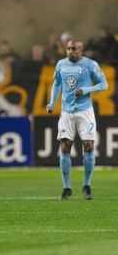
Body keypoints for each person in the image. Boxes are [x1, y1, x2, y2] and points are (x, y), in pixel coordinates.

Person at [46, 39, 108, 201]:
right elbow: (57, 83)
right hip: (67, 112)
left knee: (88, 146)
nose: (70, 51)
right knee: (65, 148)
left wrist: (86, 89)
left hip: (85, 111)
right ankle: (66, 188)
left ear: (81, 51)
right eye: (68, 49)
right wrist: (52, 103)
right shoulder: (61, 65)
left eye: (74, 49)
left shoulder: (90, 65)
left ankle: (86, 185)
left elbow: (104, 84)